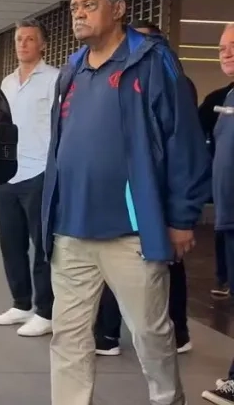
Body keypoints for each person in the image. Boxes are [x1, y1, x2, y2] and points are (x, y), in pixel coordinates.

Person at [42, 0, 211, 405]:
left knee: (151, 335)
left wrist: (182, 217)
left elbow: (184, 142)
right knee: (68, 337)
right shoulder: (72, 70)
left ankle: (167, 399)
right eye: (75, 6)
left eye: (89, 5)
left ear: (118, 10)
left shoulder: (153, 62)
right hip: (71, 230)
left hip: (131, 234)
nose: (78, 14)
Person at [92, 19, 193, 356]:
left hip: (160, 197)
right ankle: (107, 334)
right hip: (123, 199)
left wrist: (182, 217)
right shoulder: (116, 80)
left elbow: (185, 147)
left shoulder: (175, 81)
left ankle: (177, 333)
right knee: (112, 267)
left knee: (166, 272)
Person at [0, 19, 58, 337]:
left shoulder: (54, 79)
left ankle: (46, 311)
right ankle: (21, 303)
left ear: (42, 44)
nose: (23, 44)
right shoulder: (6, 82)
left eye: (30, 39)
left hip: (40, 173)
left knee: (42, 246)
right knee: (11, 244)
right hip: (9, 173)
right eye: (19, 39)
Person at [201, 22, 234, 405]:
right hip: (227, 218)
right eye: (222, 46)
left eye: (232, 46)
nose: (224, 52)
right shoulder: (225, 99)